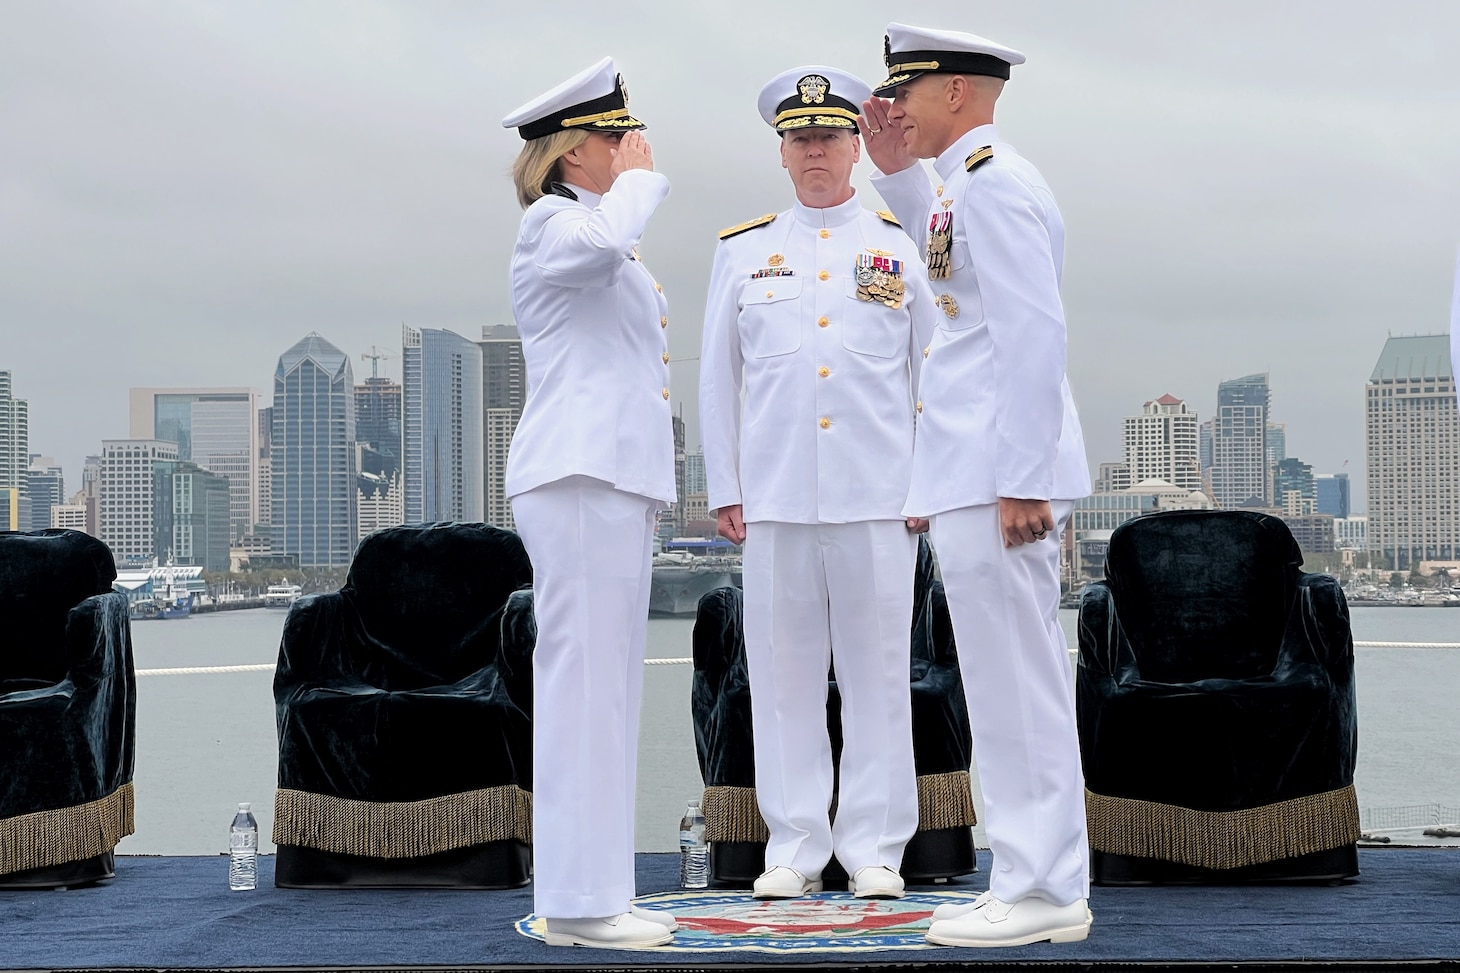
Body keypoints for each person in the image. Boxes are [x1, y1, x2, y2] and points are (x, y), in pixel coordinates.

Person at [859, 24, 1095, 948]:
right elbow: (954, 282)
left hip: (999, 470)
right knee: (1002, 686)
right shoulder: (968, 186)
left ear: (953, 92)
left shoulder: (995, 187)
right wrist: (895, 173)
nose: (892, 107)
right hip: (971, 464)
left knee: (1019, 686)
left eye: (904, 93)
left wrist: (1024, 478)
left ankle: (1044, 887)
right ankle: (1032, 875)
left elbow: (1034, 333)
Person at [699, 66, 938, 901]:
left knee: (878, 677)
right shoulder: (743, 251)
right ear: (781, 149)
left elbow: (931, 375)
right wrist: (724, 483)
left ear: (854, 147)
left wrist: (929, 482)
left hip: (880, 496)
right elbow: (717, 380)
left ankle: (875, 846)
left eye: (830, 136)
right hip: (776, 499)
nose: (815, 150)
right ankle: (794, 846)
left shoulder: (897, 245)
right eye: (800, 137)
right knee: (783, 677)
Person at [501, 57, 677, 950]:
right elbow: (604, 249)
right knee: (581, 687)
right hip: (576, 478)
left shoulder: (596, 233)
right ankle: (575, 900)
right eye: (616, 137)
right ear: (575, 155)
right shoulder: (553, 229)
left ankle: (599, 889)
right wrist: (643, 182)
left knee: (607, 688)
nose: (632, 147)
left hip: (611, 479)